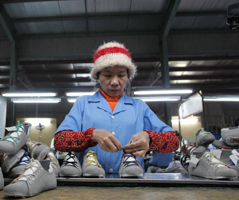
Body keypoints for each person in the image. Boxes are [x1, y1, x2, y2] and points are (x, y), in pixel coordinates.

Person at [54, 41, 179, 173]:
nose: (114, 82)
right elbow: (59, 141)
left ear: (128, 76)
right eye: (107, 75)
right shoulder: (83, 104)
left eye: (121, 75)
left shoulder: (139, 107)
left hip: (131, 185)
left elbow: (174, 142)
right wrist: (91, 135)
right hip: (89, 184)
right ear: (98, 76)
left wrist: (149, 137)